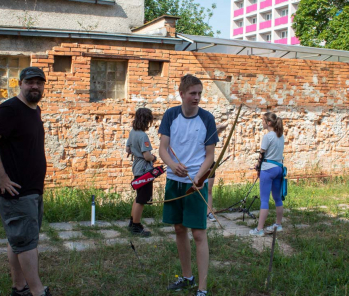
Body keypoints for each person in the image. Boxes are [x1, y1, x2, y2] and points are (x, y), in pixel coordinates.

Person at [159, 74, 219, 296]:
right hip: (174, 181)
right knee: (178, 228)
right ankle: (187, 277)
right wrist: (174, 166)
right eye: (192, 93)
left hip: (196, 185)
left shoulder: (207, 118)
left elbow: (210, 156)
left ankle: (202, 289)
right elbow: (163, 149)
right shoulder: (171, 115)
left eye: (199, 93)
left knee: (199, 234)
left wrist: (199, 177)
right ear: (182, 94)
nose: (197, 98)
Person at [0, 67, 52, 296]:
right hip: (16, 190)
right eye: (30, 82)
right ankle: (37, 292)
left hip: (32, 189)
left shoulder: (34, 109)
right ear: (20, 83)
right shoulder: (9, 110)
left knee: (18, 240)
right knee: (27, 242)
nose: (35, 86)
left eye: (39, 83)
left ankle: (19, 287)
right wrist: (2, 178)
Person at [249, 112, 285, 237]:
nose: (262, 123)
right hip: (278, 168)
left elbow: (262, 154)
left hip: (267, 169)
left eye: (263, 121)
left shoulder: (267, 136)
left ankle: (259, 229)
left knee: (264, 200)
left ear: (268, 123)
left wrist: (258, 167)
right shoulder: (281, 136)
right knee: (277, 198)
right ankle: (278, 224)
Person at [126, 108, 157, 237]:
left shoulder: (133, 132)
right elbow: (147, 156)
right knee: (142, 199)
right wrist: (153, 158)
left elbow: (128, 148)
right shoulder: (142, 135)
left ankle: (132, 222)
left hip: (136, 167)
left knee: (139, 196)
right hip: (144, 169)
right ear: (147, 120)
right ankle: (136, 227)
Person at [206, 121, 229, 222]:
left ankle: (209, 212)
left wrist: (232, 119)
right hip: (199, 164)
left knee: (209, 189)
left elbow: (224, 126)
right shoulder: (199, 135)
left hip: (210, 164)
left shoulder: (212, 134)